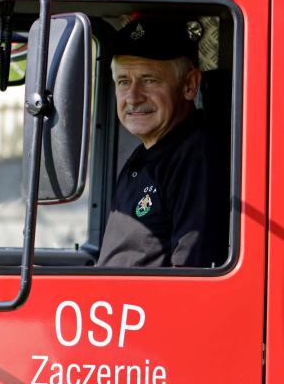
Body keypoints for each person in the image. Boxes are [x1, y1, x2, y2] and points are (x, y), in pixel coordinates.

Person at [97, 14, 230, 267]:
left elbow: (193, 273)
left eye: (149, 80)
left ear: (189, 85)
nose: (133, 97)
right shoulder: (148, 153)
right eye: (123, 81)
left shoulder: (197, 157)